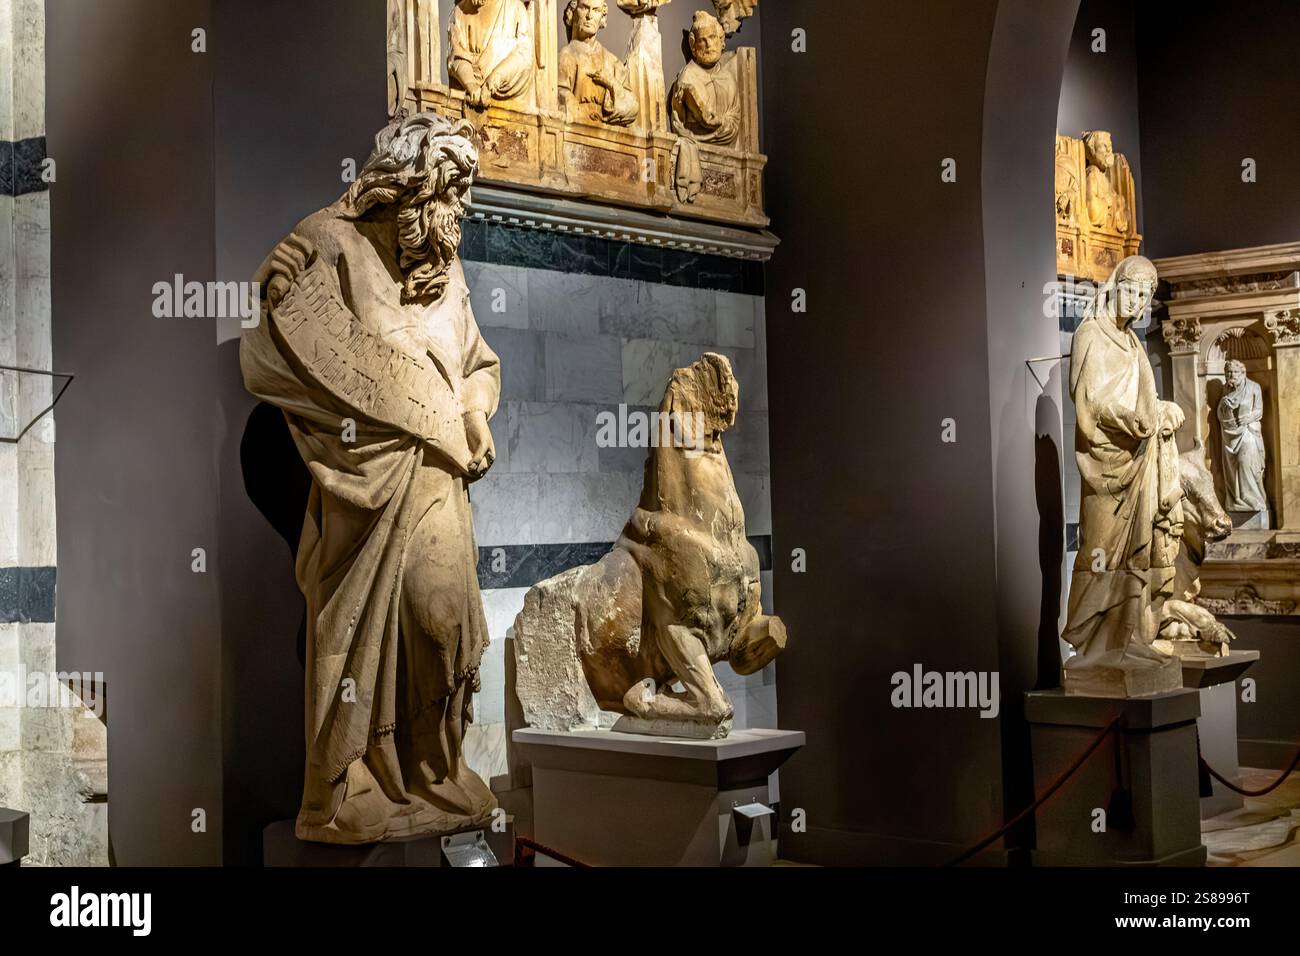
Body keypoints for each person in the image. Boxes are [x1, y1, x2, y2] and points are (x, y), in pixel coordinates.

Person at [241, 114, 501, 843]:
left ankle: (434, 772)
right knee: (357, 640)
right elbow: (266, 350)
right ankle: (344, 785)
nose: (458, 217)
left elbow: (478, 366)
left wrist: (475, 414)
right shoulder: (330, 244)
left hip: (440, 481)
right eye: (449, 198)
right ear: (406, 190)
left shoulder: (450, 279)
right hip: (364, 486)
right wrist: (269, 300)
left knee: (442, 622)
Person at [1062, 255, 1185, 694]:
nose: (1137, 302)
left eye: (1146, 296)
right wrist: (1123, 418)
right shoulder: (1089, 334)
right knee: (1099, 548)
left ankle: (1130, 639)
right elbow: (1088, 403)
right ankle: (1094, 646)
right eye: (1132, 290)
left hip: (1138, 462)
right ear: (1116, 286)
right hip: (1106, 469)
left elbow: (1144, 401)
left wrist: (1159, 411)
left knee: (1138, 550)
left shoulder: (1132, 344)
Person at [559, 0, 640, 126]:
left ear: (602, 17)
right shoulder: (565, 56)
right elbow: (558, 95)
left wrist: (612, 83)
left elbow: (632, 109)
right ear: (572, 13)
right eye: (584, 8)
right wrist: (582, 113)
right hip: (578, 130)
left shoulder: (613, 62)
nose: (589, 16)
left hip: (608, 135)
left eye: (596, 10)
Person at [448, 0, 535, 110]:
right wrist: (470, 83)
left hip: (508, 111)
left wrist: (494, 80)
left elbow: (524, 56)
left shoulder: (514, 9)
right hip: (465, 105)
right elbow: (456, 55)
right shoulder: (459, 12)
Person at [1217, 359, 1268, 513]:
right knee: (1233, 469)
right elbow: (1220, 414)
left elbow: (1259, 410)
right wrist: (1224, 407)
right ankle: (1236, 501)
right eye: (1228, 372)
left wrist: (1248, 418)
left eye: (1234, 372)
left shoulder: (1254, 387)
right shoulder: (1226, 389)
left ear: (1242, 373)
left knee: (1245, 462)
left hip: (1248, 431)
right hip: (1229, 435)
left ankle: (1254, 500)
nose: (1231, 375)